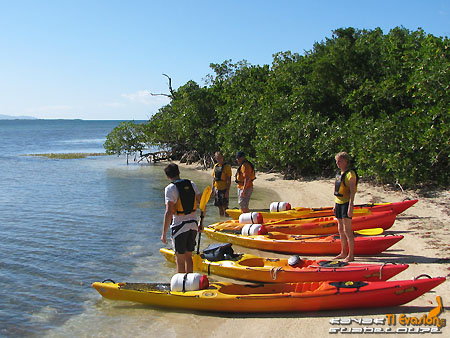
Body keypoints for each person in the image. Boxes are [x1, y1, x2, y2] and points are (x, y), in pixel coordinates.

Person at [161, 163, 202, 273]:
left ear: (167, 176)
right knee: (189, 257)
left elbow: (169, 212)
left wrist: (164, 233)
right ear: (179, 172)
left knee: (179, 259)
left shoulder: (170, 188)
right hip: (193, 224)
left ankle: (181, 285)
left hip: (179, 225)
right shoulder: (192, 184)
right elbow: (203, 203)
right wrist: (201, 223)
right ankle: (190, 282)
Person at [333, 152, 358, 262]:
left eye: (340, 161)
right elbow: (337, 191)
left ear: (346, 162)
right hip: (338, 202)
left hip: (347, 203)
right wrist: (335, 205)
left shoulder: (350, 174)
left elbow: (352, 192)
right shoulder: (339, 174)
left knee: (347, 230)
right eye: (336, 161)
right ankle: (343, 252)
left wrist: (351, 206)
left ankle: (351, 255)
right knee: (340, 229)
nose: (337, 163)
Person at [211, 151, 232, 217]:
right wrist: (212, 189)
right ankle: (221, 219)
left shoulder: (227, 167)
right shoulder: (215, 166)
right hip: (217, 189)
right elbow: (214, 178)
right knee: (219, 207)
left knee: (225, 206)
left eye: (220, 158)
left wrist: (227, 191)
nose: (219, 160)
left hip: (224, 189)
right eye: (217, 158)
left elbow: (229, 180)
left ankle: (226, 219)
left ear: (222, 158)